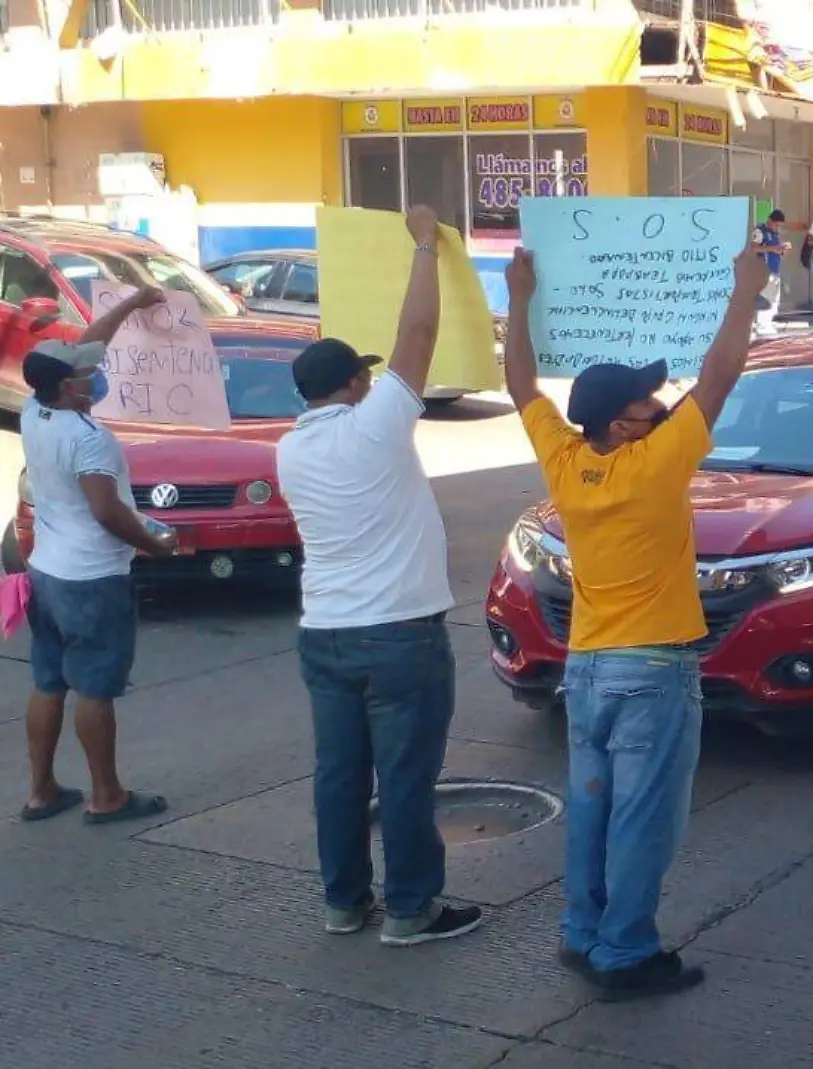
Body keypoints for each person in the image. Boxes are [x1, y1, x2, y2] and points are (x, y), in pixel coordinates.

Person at [501, 239, 769, 998]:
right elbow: (721, 375)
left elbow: (519, 383)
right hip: (653, 671)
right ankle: (625, 952)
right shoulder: (656, 464)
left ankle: (582, 933)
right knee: (642, 822)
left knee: (593, 810)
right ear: (622, 426)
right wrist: (744, 288)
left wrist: (520, 298)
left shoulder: (566, 457)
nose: (662, 402)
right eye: (648, 401)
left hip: (587, 668)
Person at [276, 205, 482, 947]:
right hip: (398, 633)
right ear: (357, 382)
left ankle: (343, 902)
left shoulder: (289, 450)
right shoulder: (376, 423)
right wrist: (425, 247)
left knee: (339, 776)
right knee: (403, 777)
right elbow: (419, 337)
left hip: (325, 634)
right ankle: (410, 908)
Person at [17, 291, 178, 826]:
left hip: (46, 569)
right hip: (91, 577)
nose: (95, 377)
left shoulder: (35, 411)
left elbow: (87, 347)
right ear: (70, 387)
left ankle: (41, 791)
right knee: (94, 687)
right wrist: (156, 544)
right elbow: (107, 511)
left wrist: (132, 304)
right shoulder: (91, 440)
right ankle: (106, 795)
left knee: (47, 682)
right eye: (86, 376)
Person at [755, 209, 786, 335]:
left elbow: (776, 249)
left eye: (780, 226)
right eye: (776, 225)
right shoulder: (760, 231)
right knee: (766, 299)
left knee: (774, 300)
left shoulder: (775, 234)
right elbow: (753, 248)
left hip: (775, 270)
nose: (777, 228)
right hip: (764, 270)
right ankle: (762, 326)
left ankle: (769, 323)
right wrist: (773, 248)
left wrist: (782, 249)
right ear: (769, 221)